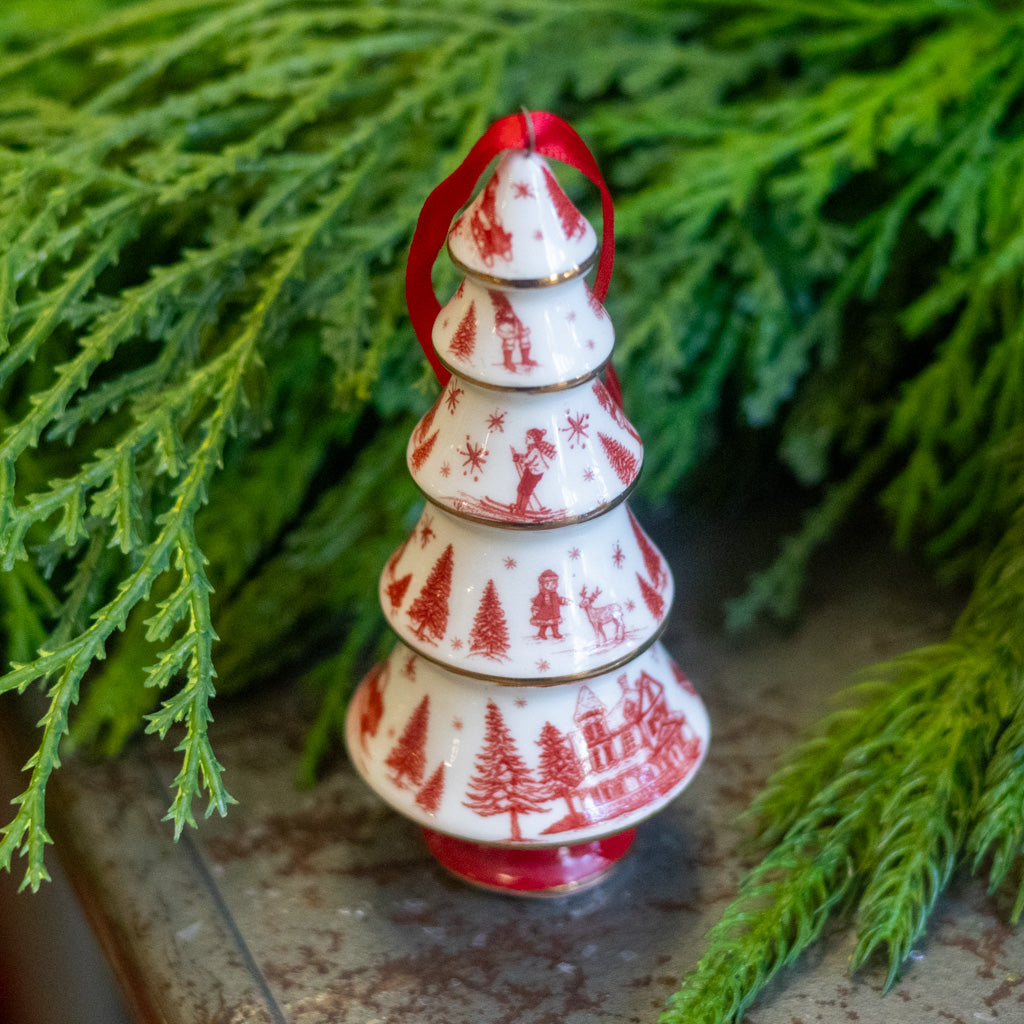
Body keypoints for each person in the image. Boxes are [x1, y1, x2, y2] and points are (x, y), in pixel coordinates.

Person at [530, 569, 568, 640]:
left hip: (554, 612)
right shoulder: (542, 594)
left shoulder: (554, 594)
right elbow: (537, 602)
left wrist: (563, 600)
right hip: (545, 613)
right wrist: (535, 609)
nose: (551, 586)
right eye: (548, 584)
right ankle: (541, 633)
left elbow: (557, 600)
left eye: (554, 584)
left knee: (555, 623)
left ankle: (556, 633)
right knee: (544, 624)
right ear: (543, 585)